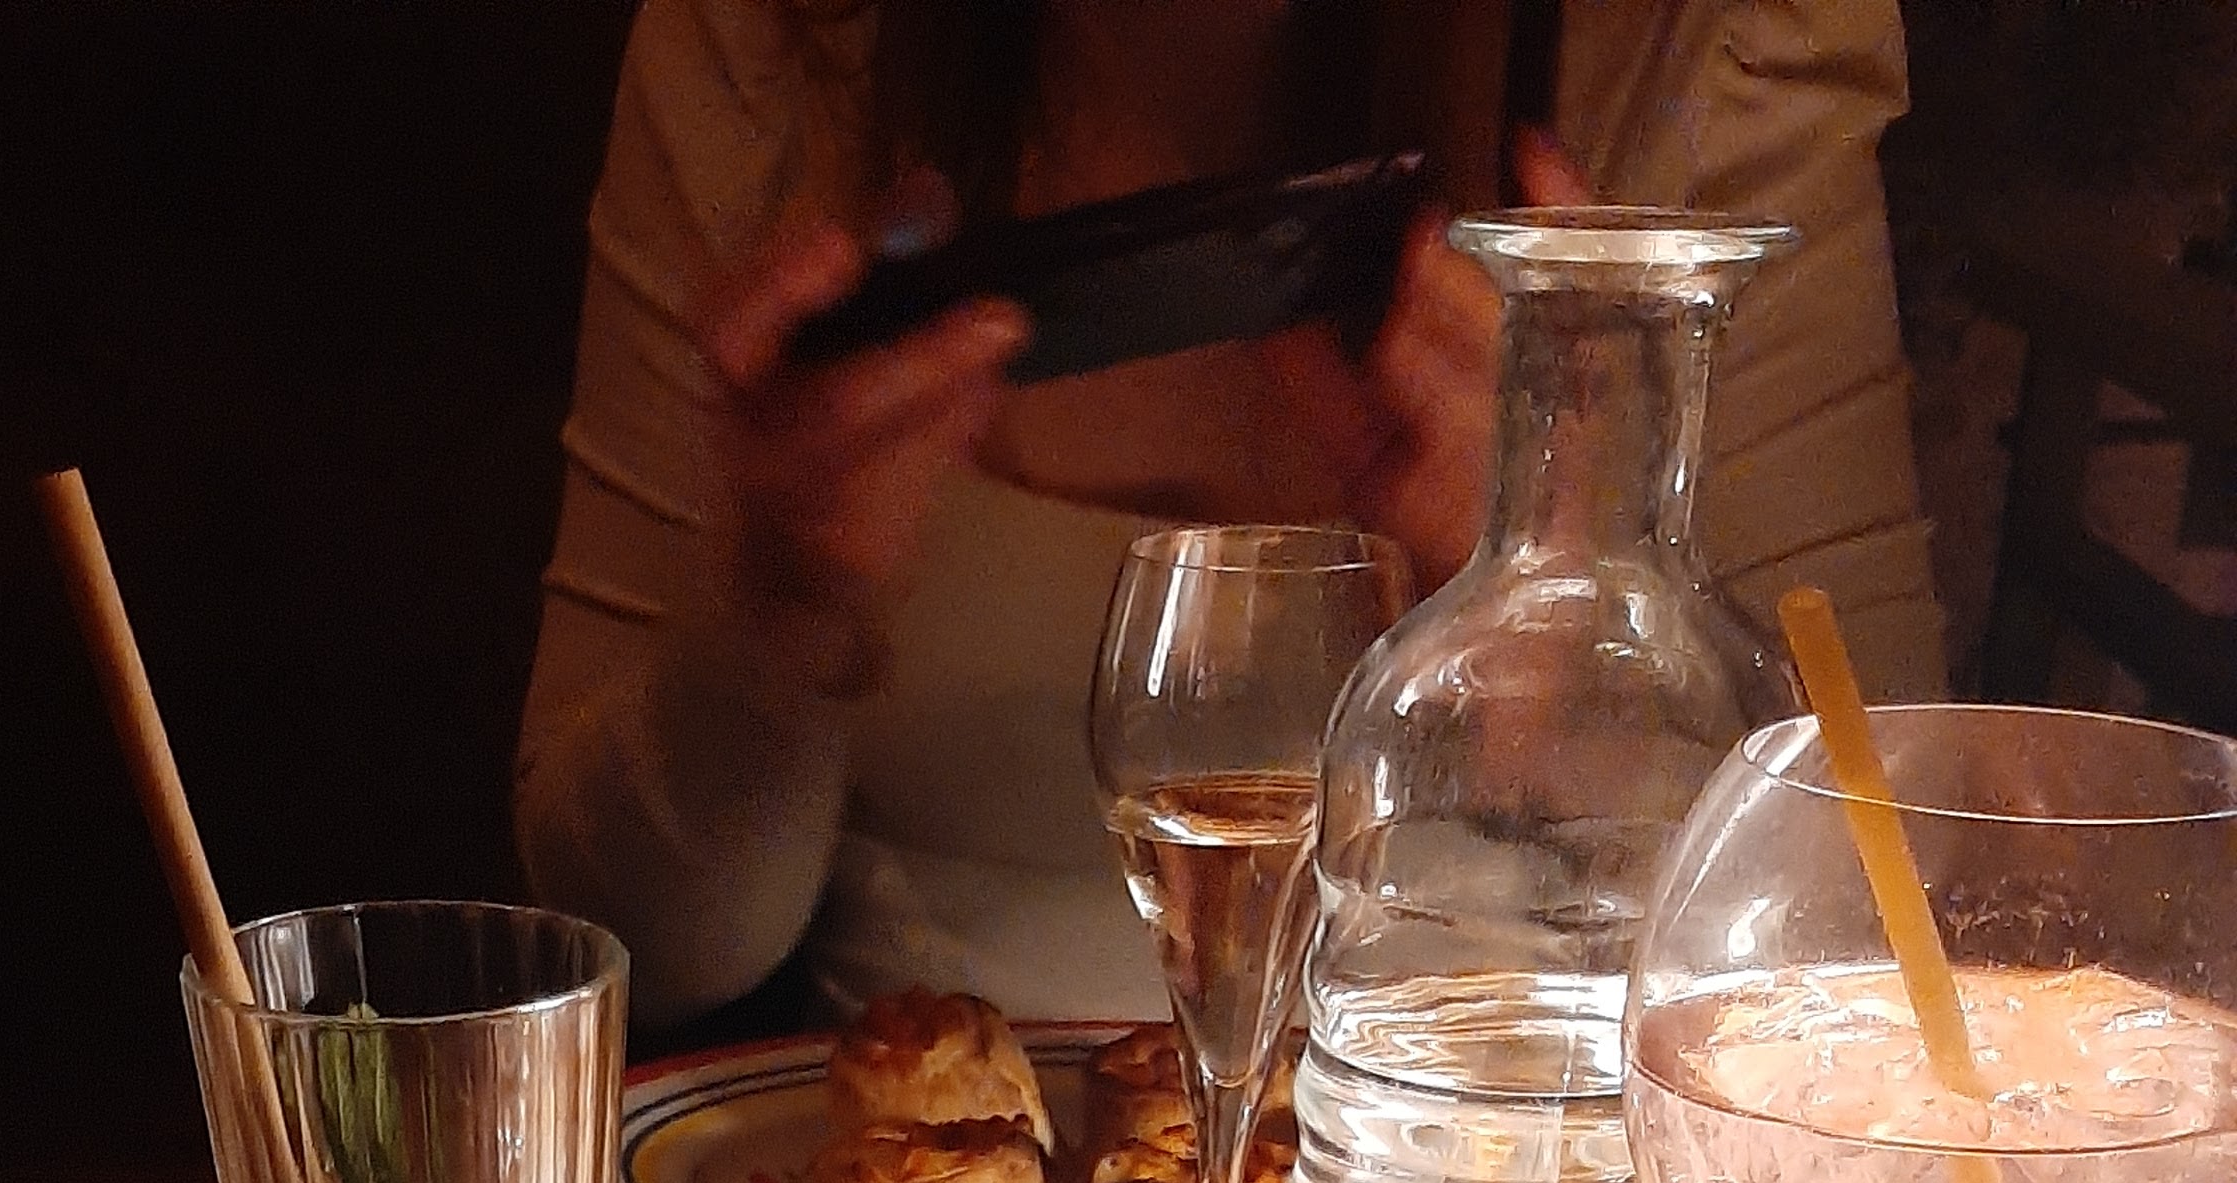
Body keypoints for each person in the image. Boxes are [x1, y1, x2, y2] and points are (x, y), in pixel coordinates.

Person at [514, 0, 1947, 1033]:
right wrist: (770, 623)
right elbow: (628, 950)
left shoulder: (1712, 52)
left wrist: (1570, 644)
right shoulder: (775, 54)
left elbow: (1892, 957)